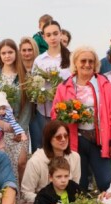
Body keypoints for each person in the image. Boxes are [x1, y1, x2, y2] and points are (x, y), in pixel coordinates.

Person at [51, 46, 111, 192]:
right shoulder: (64, 87)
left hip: (99, 139)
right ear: (75, 63)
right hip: (76, 139)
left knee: (106, 181)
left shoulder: (104, 84)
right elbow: (55, 115)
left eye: (91, 61)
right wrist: (66, 118)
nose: (87, 64)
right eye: (83, 61)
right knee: (78, 183)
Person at [20, 120, 80, 204]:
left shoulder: (75, 157)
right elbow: (26, 191)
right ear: (49, 139)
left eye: (66, 136)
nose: (63, 139)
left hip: (64, 199)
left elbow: (75, 186)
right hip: (38, 199)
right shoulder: (36, 161)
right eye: (58, 137)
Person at [30, 20, 71, 152]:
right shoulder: (39, 60)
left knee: (65, 145)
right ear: (44, 37)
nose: (52, 38)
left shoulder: (71, 57)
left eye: (55, 33)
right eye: (48, 35)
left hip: (66, 111)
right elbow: (34, 84)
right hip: (45, 111)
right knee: (48, 145)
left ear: (60, 34)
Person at [0, 39, 31, 182]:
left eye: (10, 52)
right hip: (1, 125)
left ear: (16, 53)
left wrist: (20, 128)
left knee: (21, 161)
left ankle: (22, 192)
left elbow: (28, 105)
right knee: (6, 162)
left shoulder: (23, 75)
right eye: (3, 53)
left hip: (19, 123)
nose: (7, 56)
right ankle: (11, 194)